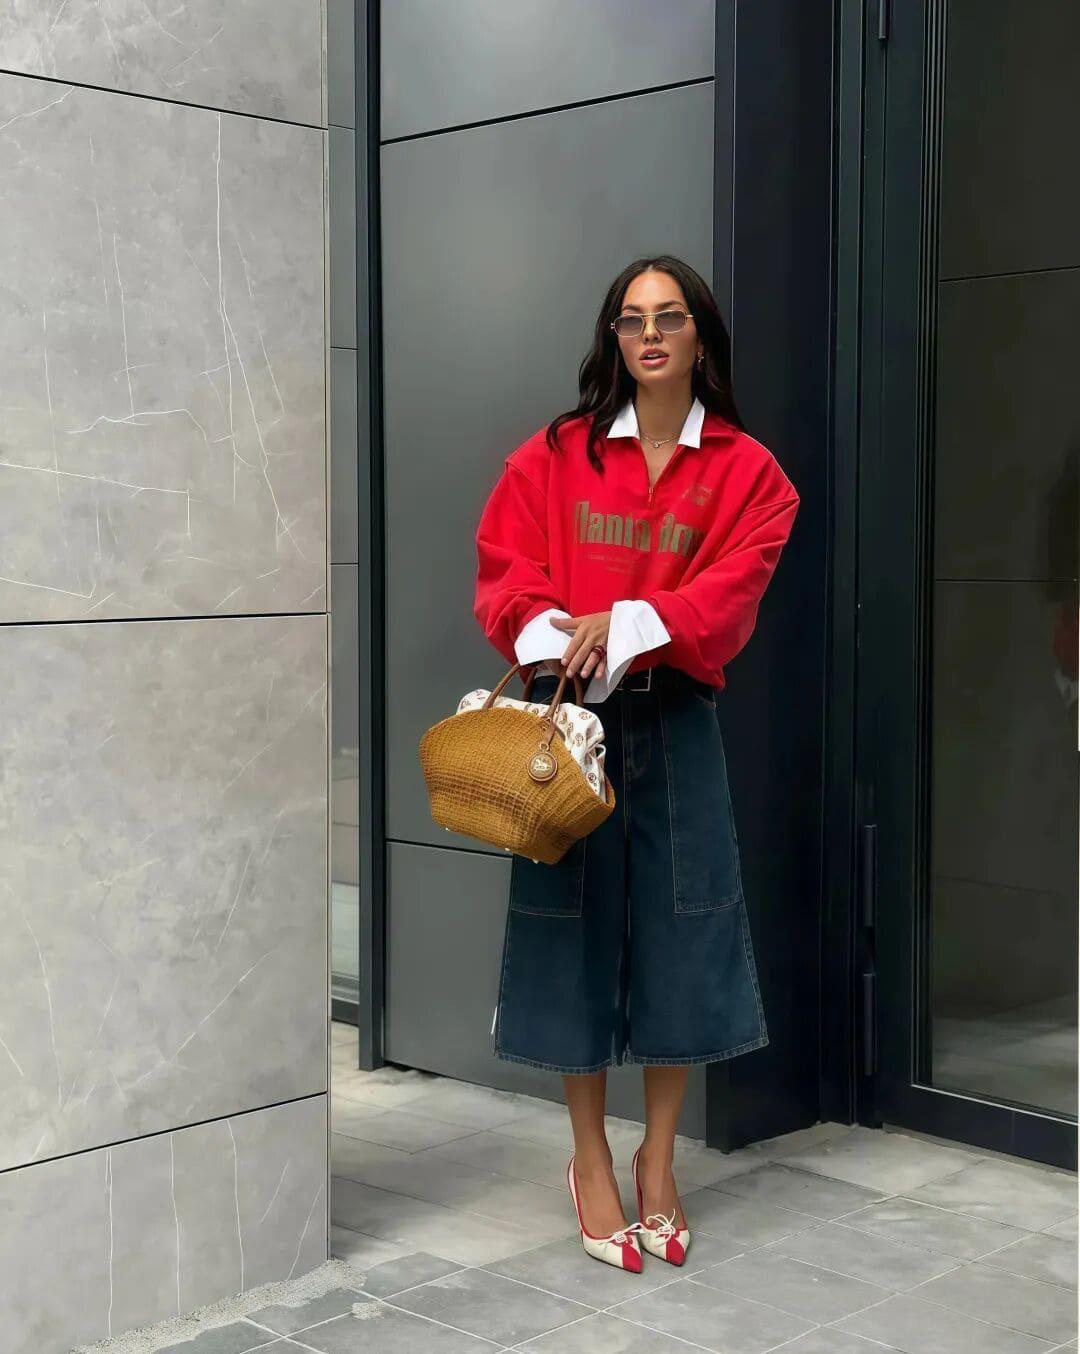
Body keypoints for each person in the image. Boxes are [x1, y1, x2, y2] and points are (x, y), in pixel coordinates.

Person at [472, 254, 800, 1272]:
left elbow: (730, 598)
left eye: (670, 317)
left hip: (679, 723)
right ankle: (588, 1158)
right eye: (630, 319)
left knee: (681, 935)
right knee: (572, 935)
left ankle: (658, 1158)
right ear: (613, 339)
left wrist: (633, 618)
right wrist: (548, 627)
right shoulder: (558, 454)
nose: (650, 334)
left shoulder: (750, 473)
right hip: (569, 738)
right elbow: (504, 568)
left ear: (701, 335)